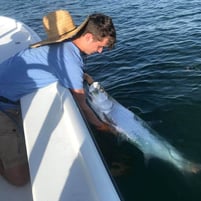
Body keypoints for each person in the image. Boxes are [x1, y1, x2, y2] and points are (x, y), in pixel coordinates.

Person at [0, 10, 116, 186]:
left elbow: (66, 68)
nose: (100, 52)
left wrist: (84, 77)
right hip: (2, 106)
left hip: (6, 96)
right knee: (20, 179)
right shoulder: (70, 61)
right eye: (100, 46)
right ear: (89, 37)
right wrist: (102, 126)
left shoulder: (63, 46)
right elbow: (82, 105)